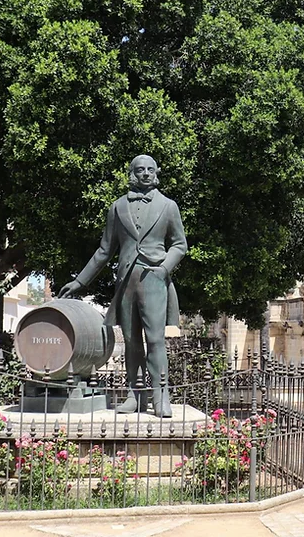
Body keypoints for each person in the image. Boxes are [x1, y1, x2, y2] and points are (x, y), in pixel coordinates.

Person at [58, 155, 187, 417]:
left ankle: (161, 398)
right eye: (140, 170)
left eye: (151, 169)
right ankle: (134, 395)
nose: (146, 174)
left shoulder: (169, 206)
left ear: (157, 172)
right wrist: (80, 281)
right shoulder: (117, 207)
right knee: (131, 342)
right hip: (126, 281)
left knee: (155, 340)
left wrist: (163, 268)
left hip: (154, 279)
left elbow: (180, 245)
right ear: (132, 173)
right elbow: (104, 251)